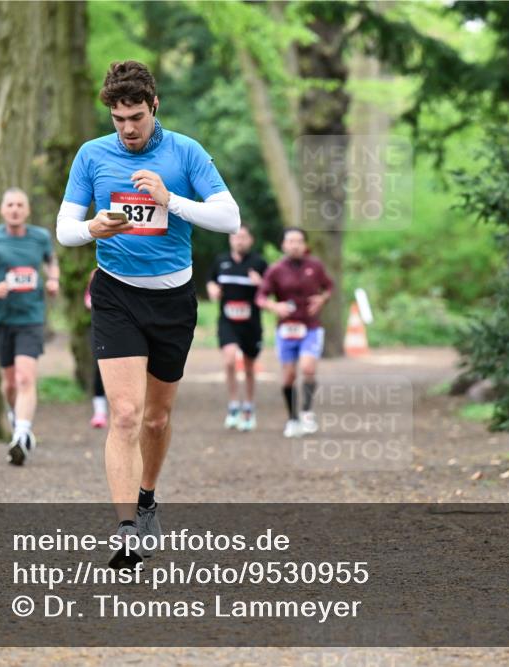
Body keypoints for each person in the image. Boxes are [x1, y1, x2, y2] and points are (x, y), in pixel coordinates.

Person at [56, 61, 240, 568]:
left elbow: (230, 217)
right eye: (118, 119)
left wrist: (171, 200)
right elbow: (65, 229)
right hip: (116, 294)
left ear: (154, 106)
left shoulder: (186, 152)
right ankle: (126, 530)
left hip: (173, 301)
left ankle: (147, 499)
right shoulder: (92, 155)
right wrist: (93, 228)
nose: (128, 129)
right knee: (125, 414)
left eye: (136, 117)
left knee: (156, 420)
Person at [0, 187, 59, 465]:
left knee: (25, 378)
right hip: (3, 318)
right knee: (9, 384)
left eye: (20, 205)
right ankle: (15, 416)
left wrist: (53, 280)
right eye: (10, 205)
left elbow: (51, 262)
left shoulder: (40, 237)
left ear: (27, 210)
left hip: (31, 317)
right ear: (2, 210)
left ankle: (21, 435)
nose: (15, 209)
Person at [256, 227, 334, 438]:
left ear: (305, 244)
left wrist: (322, 299)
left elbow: (329, 287)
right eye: (290, 241)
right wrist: (274, 306)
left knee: (308, 369)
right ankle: (293, 419)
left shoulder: (315, 266)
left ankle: (307, 413)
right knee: (289, 376)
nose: (295, 245)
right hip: (286, 329)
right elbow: (261, 297)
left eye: (299, 241)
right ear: (283, 245)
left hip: (310, 327)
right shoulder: (276, 270)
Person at [207, 226, 268, 431]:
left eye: (243, 237)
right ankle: (233, 405)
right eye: (235, 237)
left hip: (251, 323)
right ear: (230, 240)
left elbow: (270, 290)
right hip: (228, 321)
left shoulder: (259, 263)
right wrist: (212, 289)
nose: (239, 240)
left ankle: (248, 406)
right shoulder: (221, 261)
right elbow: (211, 281)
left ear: (251, 240)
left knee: (249, 367)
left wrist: (260, 283)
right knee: (230, 359)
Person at [84, 268, 108, 428]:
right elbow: (89, 301)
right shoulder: (95, 276)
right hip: (101, 332)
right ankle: (100, 411)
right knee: (98, 369)